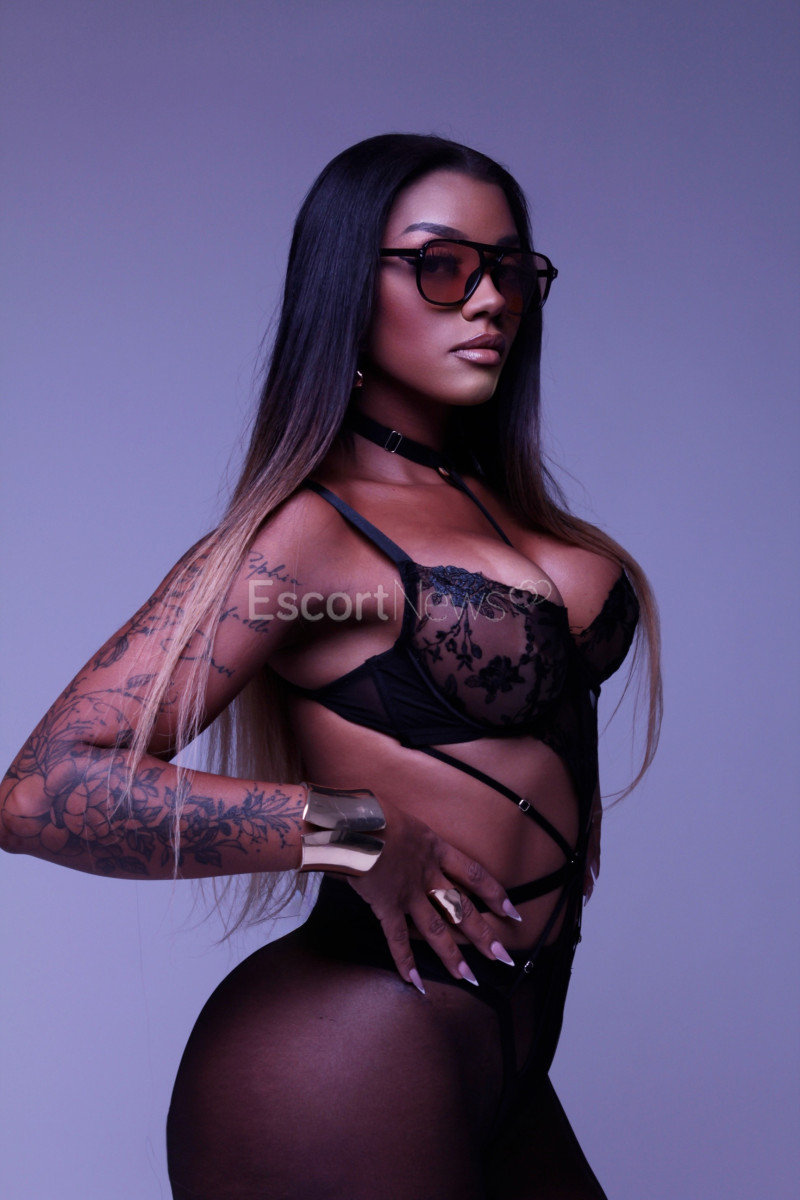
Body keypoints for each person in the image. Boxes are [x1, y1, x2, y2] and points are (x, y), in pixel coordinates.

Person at [0, 133, 661, 1199]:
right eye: (443, 266)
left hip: (505, 1050)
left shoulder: (500, 507)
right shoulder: (311, 542)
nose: (491, 300)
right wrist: (356, 831)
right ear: (352, 284)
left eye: (510, 270)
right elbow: (43, 791)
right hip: (344, 1058)